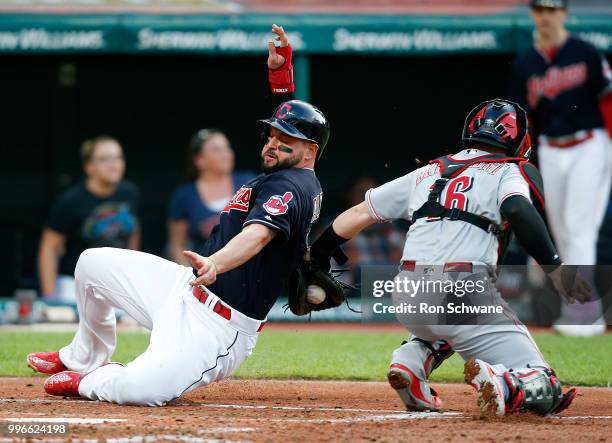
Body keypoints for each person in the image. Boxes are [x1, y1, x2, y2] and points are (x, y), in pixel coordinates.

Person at [26, 25, 331, 406]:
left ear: (310, 151)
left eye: (283, 139)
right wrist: (281, 77)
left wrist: (216, 262)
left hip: (218, 327)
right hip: (183, 289)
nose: (272, 142)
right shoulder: (289, 172)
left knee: (142, 390)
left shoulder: (292, 187)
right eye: (271, 134)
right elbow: (293, 123)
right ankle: (84, 356)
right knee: (92, 264)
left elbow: (258, 235)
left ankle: (90, 380)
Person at [310, 99, 590, 417]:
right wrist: (556, 268)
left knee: (446, 330)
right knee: (545, 386)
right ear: (518, 140)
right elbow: (517, 209)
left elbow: (361, 212)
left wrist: (318, 254)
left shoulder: (429, 171)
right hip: (462, 291)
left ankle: (411, 361)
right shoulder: (508, 170)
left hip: (407, 295)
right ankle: (506, 383)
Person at [509, 0, 612, 336]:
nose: (546, 16)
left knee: (579, 228)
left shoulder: (585, 52)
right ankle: (584, 305)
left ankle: (585, 313)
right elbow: (524, 121)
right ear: (533, 15)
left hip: (590, 144)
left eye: (552, 10)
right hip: (551, 149)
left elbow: (607, 99)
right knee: (563, 232)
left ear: (564, 14)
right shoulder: (526, 63)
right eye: (541, 10)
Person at [37, 136, 140, 302]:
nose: (114, 165)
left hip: (117, 283)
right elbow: (49, 248)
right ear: (89, 167)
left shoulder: (130, 193)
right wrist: (50, 297)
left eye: (118, 158)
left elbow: (134, 233)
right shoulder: (70, 201)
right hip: (75, 282)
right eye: (104, 159)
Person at [167, 129, 255, 265]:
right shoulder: (184, 196)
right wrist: (190, 278)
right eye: (217, 150)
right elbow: (177, 245)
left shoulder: (248, 182)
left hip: (248, 269)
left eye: (227, 148)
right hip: (206, 276)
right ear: (199, 160)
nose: (226, 154)